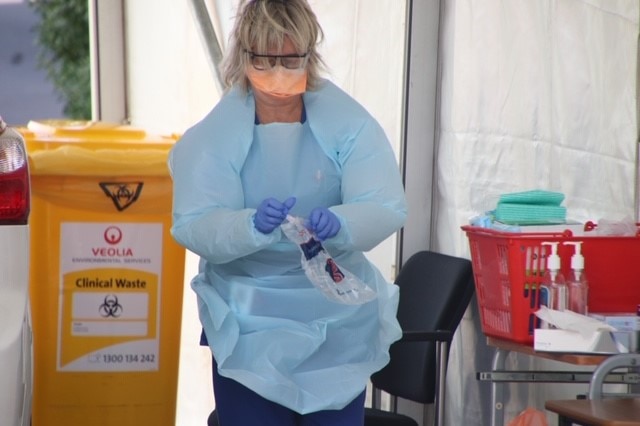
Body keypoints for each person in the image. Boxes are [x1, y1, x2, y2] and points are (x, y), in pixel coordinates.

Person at [168, 0, 407, 424]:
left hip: (335, 316)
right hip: (247, 314)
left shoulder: (349, 125)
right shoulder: (214, 138)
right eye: (265, 59)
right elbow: (195, 221)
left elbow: (384, 202)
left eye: (290, 58)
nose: (278, 71)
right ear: (244, 57)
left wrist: (343, 222)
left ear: (310, 56)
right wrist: (247, 225)